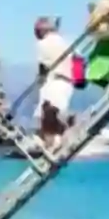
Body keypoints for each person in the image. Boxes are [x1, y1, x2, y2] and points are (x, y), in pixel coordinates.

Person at [31, 16, 75, 147]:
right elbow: (77, 61)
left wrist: (39, 80)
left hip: (54, 80)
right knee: (53, 112)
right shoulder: (67, 42)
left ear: (41, 31)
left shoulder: (42, 44)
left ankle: (51, 145)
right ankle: (57, 139)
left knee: (47, 114)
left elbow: (42, 67)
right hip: (68, 83)